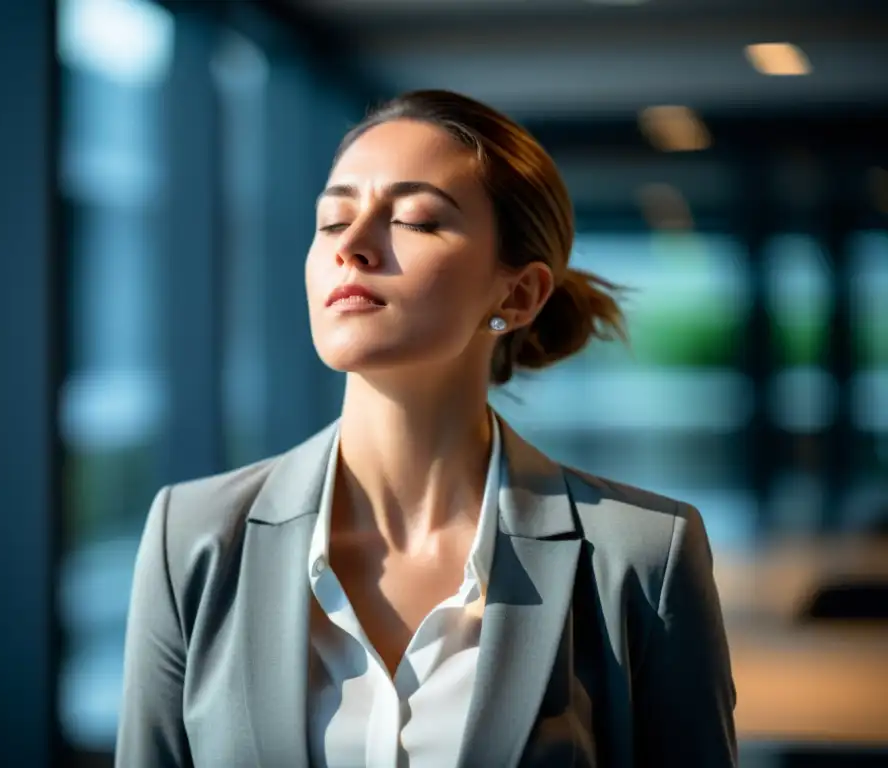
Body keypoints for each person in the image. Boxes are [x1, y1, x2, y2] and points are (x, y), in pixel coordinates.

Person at [116, 89, 738, 768]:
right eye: (331, 220)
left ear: (519, 293)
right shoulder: (195, 538)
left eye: (412, 219)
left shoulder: (642, 556)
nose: (352, 246)